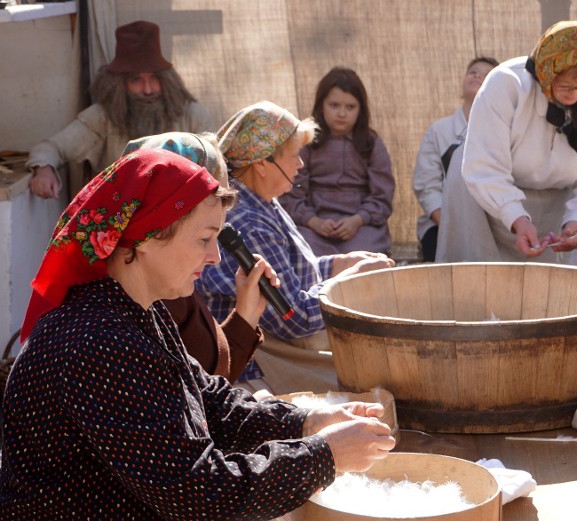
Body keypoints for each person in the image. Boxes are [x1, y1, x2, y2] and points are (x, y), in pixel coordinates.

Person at [0, 149, 394, 521]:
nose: (216, 258)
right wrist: (325, 455)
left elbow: (212, 402)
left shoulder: (138, 311)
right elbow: (197, 491)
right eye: (204, 239)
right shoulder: (95, 341)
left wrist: (307, 422)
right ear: (145, 237)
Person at [197, 101, 393, 394]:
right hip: (251, 363)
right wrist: (348, 281)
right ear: (262, 163)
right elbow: (294, 317)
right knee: (367, 384)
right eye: (294, 156)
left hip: (274, 343)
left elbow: (293, 271)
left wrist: (340, 264)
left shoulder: (263, 201)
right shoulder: (247, 218)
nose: (300, 164)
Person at [437, 20, 577, 264]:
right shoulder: (506, 84)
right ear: (546, 71)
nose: (573, 94)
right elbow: (485, 165)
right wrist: (517, 218)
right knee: (478, 282)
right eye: (564, 85)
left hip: (555, 204)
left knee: (547, 291)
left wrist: (576, 221)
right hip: (483, 196)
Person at [122, 131, 272, 382]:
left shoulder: (171, 286)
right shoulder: (129, 317)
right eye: (204, 238)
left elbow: (206, 387)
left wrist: (247, 310)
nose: (216, 257)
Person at [26, 21, 212, 200]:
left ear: (167, 79)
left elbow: (215, 167)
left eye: (154, 78)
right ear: (120, 85)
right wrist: (44, 170)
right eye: (136, 80)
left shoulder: (192, 115)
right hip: (122, 217)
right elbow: (52, 148)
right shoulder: (103, 117)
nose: (148, 90)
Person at [281, 67, 395, 256]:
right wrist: (313, 221)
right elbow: (290, 193)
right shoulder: (305, 143)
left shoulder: (371, 144)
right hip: (313, 226)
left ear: (361, 109)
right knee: (304, 250)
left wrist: (357, 220)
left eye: (350, 107)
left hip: (361, 227)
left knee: (361, 257)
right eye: (334, 105)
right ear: (321, 105)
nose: (342, 113)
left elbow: (382, 197)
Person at [411, 56, 498, 262]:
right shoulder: (438, 130)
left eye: (487, 75)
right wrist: (448, 224)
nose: (478, 76)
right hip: (441, 225)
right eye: (473, 72)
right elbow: (427, 185)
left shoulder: (504, 133)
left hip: (493, 227)